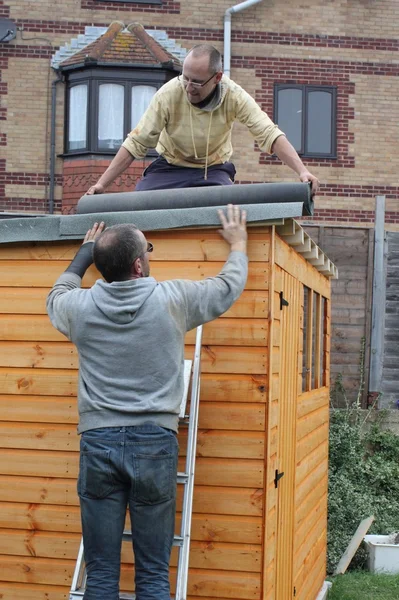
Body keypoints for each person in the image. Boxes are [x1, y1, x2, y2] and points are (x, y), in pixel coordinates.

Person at [46, 205, 248, 600]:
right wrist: (238, 243)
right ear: (139, 265)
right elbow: (226, 287)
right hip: (154, 444)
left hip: (98, 445)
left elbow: (58, 294)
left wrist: (84, 255)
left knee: (101, 574)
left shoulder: (79, 308)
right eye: (149, 251)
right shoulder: (173, 299)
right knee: (154, 574)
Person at [86, 44, 320, 195]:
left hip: (214, 170)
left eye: (196, 82)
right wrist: (102, 184)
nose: (189, 88)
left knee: (229, 211)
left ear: (217, 77)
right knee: (141, 204)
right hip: (169, 167)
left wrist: (302, 171)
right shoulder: (169, 94)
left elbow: (269, 133)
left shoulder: (234, 96)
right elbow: (136, 143)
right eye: (185, 78)